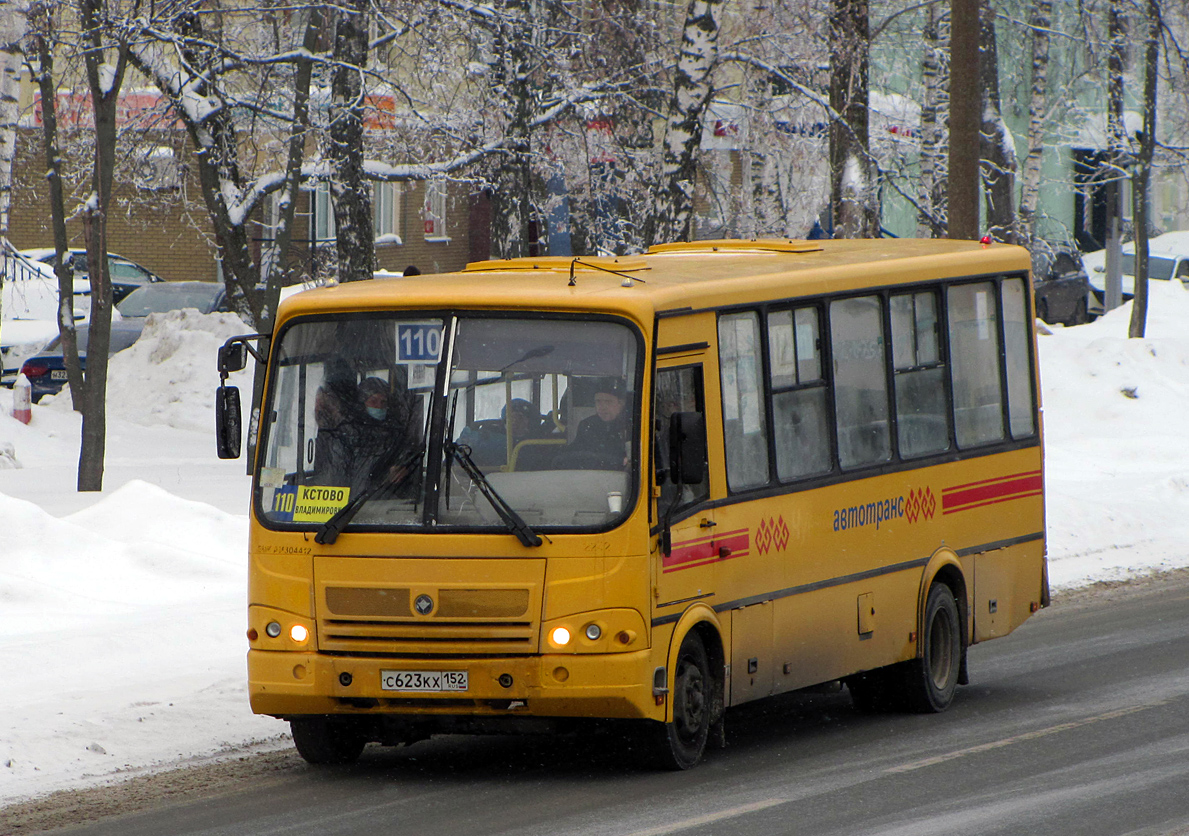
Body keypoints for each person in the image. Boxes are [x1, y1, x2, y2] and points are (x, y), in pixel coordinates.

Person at [559, 378, 630, 469]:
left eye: (608, 402)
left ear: (621, 403)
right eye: (598, 401)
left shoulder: (632, 426)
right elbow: (575, 452)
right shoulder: (587, 425)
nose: (602, 407)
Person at [458, 398, 546, 468]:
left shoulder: (534, 445)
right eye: (510, 417)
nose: (514, 421)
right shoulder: (485, 435)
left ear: (529, 425)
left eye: (520, 418)